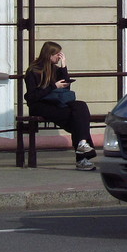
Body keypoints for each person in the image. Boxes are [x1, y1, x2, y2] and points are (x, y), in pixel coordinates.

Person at [26, 41, 97, 170]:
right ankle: (82, 158)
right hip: (40, 105)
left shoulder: (55, 69)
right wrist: (54, 86)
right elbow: (31, 96)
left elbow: (66, 86)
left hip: (56, 101)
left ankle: (82, 143)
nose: (59, 57)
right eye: (57, 54)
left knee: (80, 106)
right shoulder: (33, 71)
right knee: (75, 119)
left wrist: (64, 66)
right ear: (49, 55)